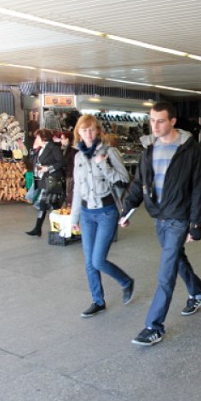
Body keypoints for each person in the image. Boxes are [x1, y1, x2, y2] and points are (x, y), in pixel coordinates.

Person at [121, 101, 201, 346]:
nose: (155, 125)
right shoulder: (149, 148)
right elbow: (139, 182)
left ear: (172, 121)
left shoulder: (189, 150)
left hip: (179, 218)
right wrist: (127, 209)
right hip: (158, 217)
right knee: (177, 258)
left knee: (166, 272)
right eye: (152, 120)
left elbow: (199, 190)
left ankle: (154, 326)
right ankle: (198, 292)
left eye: (160, 120)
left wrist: (196, 225)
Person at [70, 115, 135, 318]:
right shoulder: (78, 156)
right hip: (87, 214)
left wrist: (103, 165)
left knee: (98, 260)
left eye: (91, 129)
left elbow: (124, 179)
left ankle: (126, 281)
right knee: (89, 262)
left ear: (97, 130)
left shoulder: (109, 151)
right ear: (78, 132)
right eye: (84, 130)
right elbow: (77, 190)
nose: (88, 133)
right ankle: (98, 301)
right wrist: (74, 218)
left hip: (107, 212)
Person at [25, 129, 65, 237]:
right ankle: (61, 226)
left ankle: (38, 229)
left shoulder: (54, 148)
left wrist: (47, 168)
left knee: (43, 203)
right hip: (44, 179)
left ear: (43, 138)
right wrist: (33, 150)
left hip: (53, 179)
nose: (35, 139)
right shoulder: (40, 149)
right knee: (54, 204)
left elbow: (61, 162)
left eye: (37, 137)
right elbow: (33, 161)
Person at [59, 131, 77, 207]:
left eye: (63, 138)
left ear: (68, 139)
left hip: (71, 174)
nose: (61, 140)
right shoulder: (63, 149)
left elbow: (68, 162)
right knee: (68, 192)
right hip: (67, 173)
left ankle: (69, 208)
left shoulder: (72, 150)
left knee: (69, 192)